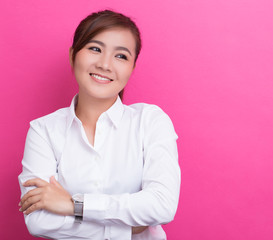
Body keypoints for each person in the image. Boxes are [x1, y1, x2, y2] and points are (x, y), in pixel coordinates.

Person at [18, 10, 180, 240]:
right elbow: (38, 221)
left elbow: (162, 205)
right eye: (95, 49)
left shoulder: (150, 121)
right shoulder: (43, 130)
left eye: (121, 56)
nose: (105, 64)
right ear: (73, 54)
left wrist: (75, 205)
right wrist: (125, 228)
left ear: (132, 67)